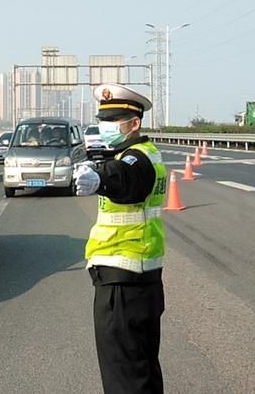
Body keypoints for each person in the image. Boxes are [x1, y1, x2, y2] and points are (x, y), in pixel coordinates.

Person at [73, 83, 167, 394]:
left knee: (124, 378)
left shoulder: (136, 159)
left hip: (123, 283)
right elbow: (119, 169)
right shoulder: (142, 154)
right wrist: (100, 170)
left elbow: (125, 177)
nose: (105, 126)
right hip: (140, 279)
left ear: (134, 123)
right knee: (142, 371)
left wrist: (100, 178)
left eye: (113, 120)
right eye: (103, 120)